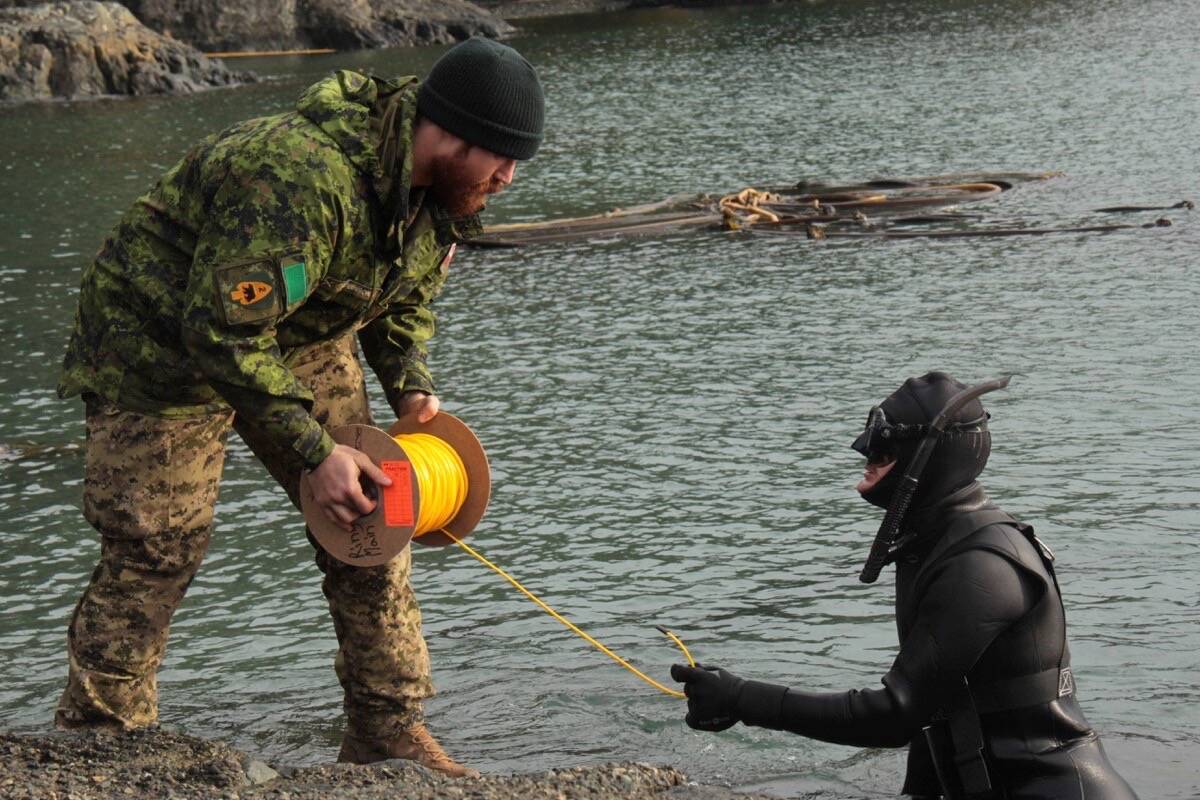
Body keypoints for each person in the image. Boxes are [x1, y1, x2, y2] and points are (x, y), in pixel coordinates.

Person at [54, 37, 544, 778]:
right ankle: (98, 744)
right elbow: (220, 334)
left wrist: (409, 383)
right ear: (448, 135)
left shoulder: (442, 195)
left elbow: (403, 299)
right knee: (158, 549)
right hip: (155, 351)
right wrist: (315, 454)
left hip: (297, 332)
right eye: (501, 158)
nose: (508, 178)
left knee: (377, 516)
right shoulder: (299, 178)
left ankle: (385, 729)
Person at [671, 372, 1138, 799]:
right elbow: (940, 714)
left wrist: (742, 699)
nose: (865, 455)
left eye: (884, 446)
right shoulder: (937, 545)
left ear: (930, 457)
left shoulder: (980, 566)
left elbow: (897, 714)